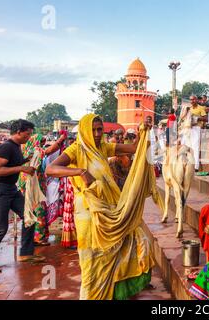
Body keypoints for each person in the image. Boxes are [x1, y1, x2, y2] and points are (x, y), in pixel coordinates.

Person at [46, 114, 163, 300]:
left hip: (109, 210)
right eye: (93, 130)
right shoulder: (76, 149)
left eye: (100, 129)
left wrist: (142, 128)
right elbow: (50, 169)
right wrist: (80, 171)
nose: (98, 133)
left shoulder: (103, 147)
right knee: (92, 261)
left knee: (134, 239)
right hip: (87, 212)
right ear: (84, 130)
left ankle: (113, 291)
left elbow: (133, 148)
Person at [0, 120, 45, 274]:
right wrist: (22, 167)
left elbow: (12, 165)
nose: (29, 137)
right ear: (19, 132)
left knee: (29, 217)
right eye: (27, 134)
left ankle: (26, 253)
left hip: (10, 189)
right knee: (0, 228)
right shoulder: (6, 147)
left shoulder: (16, 147)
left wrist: (27, 159)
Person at [17, 133, 66, 246]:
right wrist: (60, 140)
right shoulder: (34, 152)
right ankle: (38, 238)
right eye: (41, 142)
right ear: (35, 142)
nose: (43, 144)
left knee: (32, 211)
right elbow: (49, 151)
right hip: (34, 187)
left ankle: (33, 238)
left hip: (32, 186)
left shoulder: (26, 152)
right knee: (39, 211)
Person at [180, 96, 207, 171]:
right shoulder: (188, 108)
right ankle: (184, 164)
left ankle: (196, 167)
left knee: (195, 147)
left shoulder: (201, 108)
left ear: (197, 100)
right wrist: (186, 111)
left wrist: (197, 118)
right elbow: (182, 118)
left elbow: (206, 119)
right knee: (184, 145)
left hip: (196, 128)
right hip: (187, 129)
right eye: (191, 99)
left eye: (194, 99)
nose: (192, 101)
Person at [61, 135, 77, 249]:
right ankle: (73, 240)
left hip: (74, 186)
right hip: (73, 187)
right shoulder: (70, 153)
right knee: (73, 213)